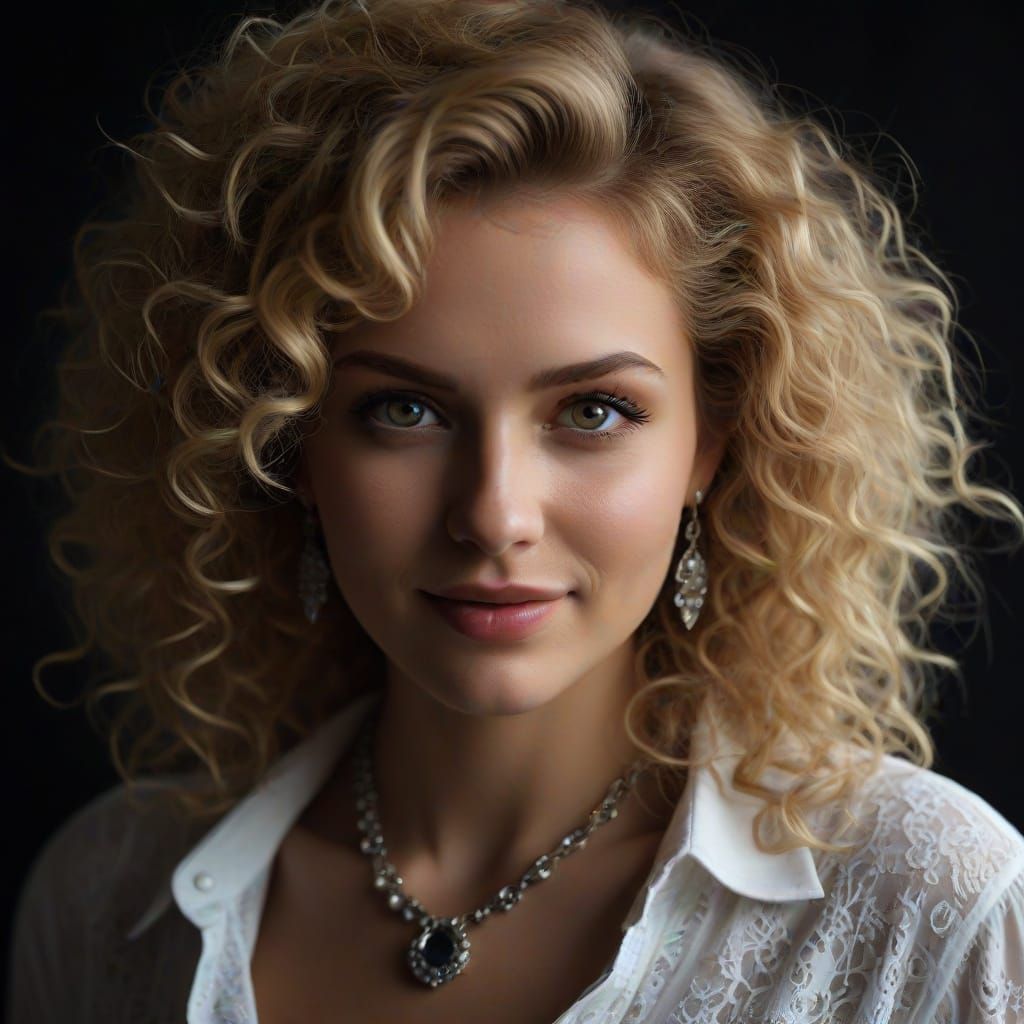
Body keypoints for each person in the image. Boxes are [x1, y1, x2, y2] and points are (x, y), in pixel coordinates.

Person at [6, 0, 1024, 1021]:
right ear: (289, 443)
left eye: (593, 410)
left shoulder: (926, 904)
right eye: (401, 410)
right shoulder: (107, 896)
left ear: (710, 442)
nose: (495, 516)